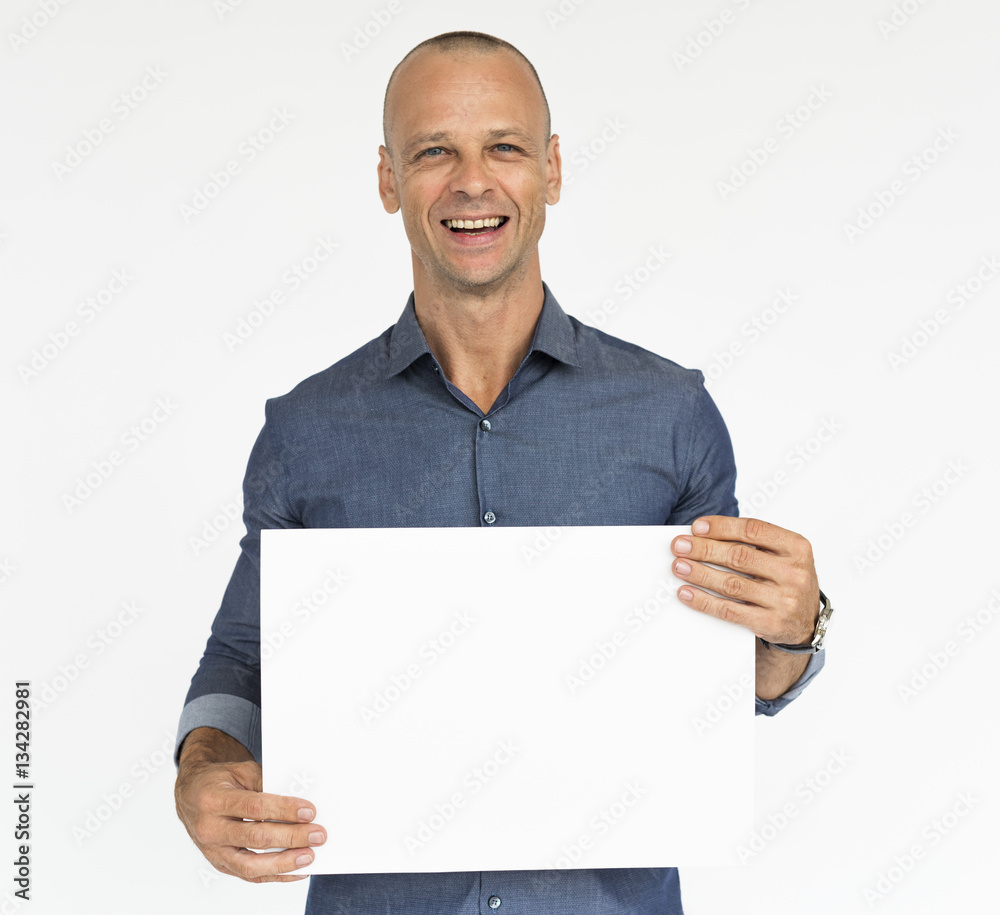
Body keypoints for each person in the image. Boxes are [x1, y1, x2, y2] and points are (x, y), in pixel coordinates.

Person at [174, 30, 828, 914]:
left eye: (505, 148)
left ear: (551, 171)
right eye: (434, 150)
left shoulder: (670, 414)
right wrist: (202, 769)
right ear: (387, 180)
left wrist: (796, 630)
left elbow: (729, 678)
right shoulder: (307, 430)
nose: (472, 181)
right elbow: (243, 657)